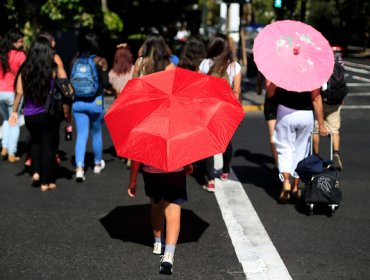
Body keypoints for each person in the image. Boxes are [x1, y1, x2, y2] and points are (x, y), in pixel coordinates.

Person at [129, 33, 186, 275]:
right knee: (173, 205)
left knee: (155, 201)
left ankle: (156, 241)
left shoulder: (140, 70)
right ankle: (169, 254)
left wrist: (133, 177)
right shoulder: (172, 68)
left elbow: (132, 97)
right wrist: (189, 160)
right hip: (173, 142)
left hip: (149, 145)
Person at [9, 36, 63, 191]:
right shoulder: (52, 68)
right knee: (48, 145)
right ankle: (46, 182)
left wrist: (14, 112)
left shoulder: (25, 69)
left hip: (30, 115)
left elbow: (19, 92)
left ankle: (36, 172)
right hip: (47, 113)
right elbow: (62, 85)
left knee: (35, 142)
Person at [266, 80, 328, 203]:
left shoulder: (283, 70)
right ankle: (295, 186)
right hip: (305, 115)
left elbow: (270, 94)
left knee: (285, 148)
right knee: (302, 150)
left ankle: (286, 182)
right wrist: (321, 124)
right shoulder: (311, 72)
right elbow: (316, 98)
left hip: (285, 112)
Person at [198, 33, 242, 192]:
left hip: (208, 108)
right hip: (226, 108)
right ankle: (225, 170)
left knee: (208, 144)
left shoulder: (204, 64)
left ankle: (210, 181)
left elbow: (199, 87)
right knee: (226, 141)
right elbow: (236, 91)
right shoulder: (234, 66)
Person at [24, 31, 69, 168]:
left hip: (31, 108)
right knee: (50, 137)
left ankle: (33, 164)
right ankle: (48, 168)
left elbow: (21, 86)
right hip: (49, 107)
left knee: (35, 138)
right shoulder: (55, 58)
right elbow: (63, 81)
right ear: (50, 43)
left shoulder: (29, 60)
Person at [71, 32, 110, 182]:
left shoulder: (74, 61)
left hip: (78, 103)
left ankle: (80, 168)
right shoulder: (100, 61)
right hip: (96, 102)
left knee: (81, 135)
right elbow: (105, 83)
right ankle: (97, 163)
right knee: (96, 134)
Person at [312, 56, 347, 171]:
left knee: (316, 128)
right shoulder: (338, 62)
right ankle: (336, 153)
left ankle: (315, 155)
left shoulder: (318, 63)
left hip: (321, 101)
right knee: (334, 129)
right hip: (335, 102)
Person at [0, 29, 26, 163]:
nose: (22, 41)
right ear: (13, 41)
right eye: (20, 39)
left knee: (5, 119)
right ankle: (12, 153)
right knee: (14, 122)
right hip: (13, 92)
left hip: (0, 91)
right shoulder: (21, 56)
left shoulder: (2, 54)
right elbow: (25, 73)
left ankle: (4, 147)